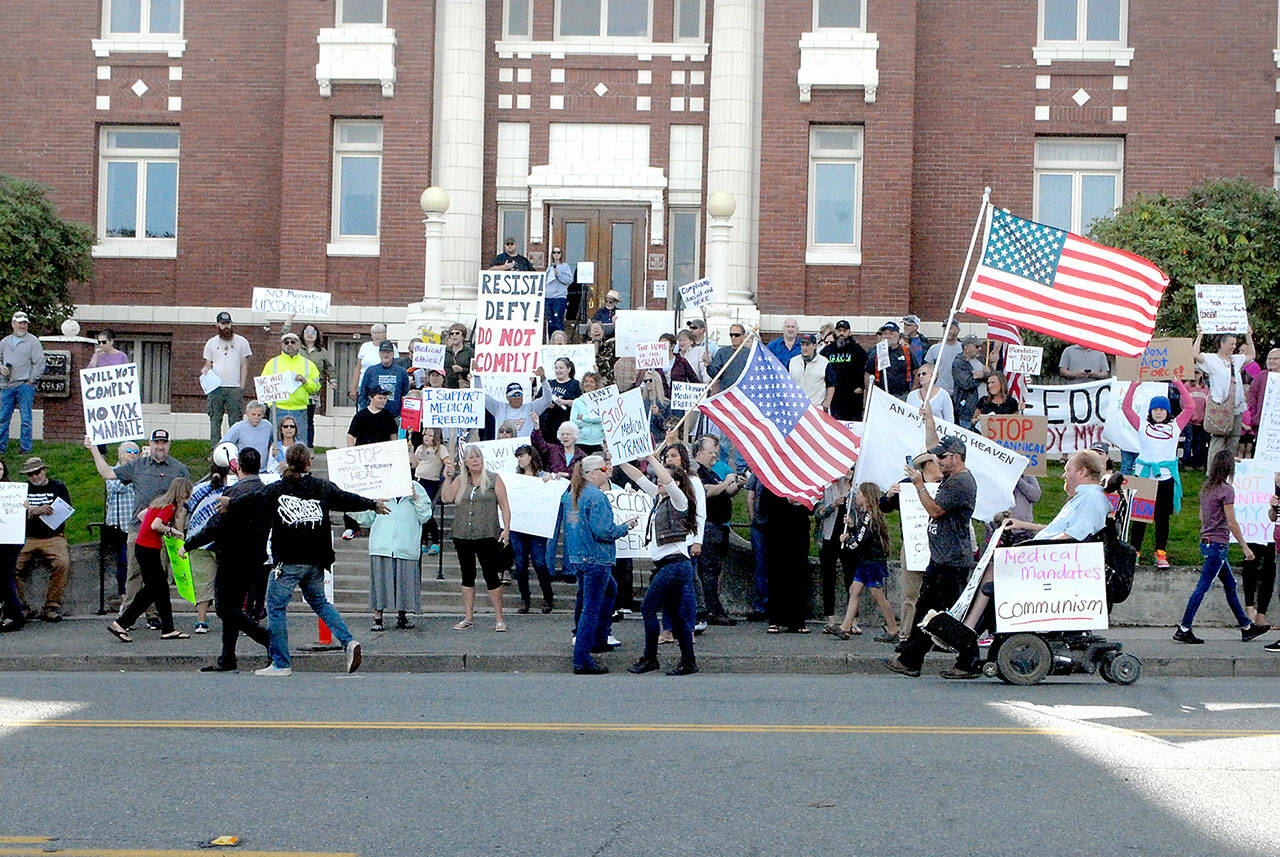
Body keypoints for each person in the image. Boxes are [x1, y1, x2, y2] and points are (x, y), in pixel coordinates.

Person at [249, 444, 385, 675]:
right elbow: (346, 499)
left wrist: (229, 503)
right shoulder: (322, 487)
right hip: (315, 560)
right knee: (320, 602)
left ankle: (281, 662)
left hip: (288, 560)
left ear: (287, 462)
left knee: (275, 606)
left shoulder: (277, 489)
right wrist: (373, 504)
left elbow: (252, 499)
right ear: (308, 463)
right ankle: (348, 641)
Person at [886, 435, 982, 679]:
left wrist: (918, 484)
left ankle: (966, 660)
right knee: (929, 612)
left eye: (942, 456)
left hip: (950, 560)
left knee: (937, 614)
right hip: (943, 558)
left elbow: (935, 510)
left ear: (956, 458)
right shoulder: (953, 479)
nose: (937, 461)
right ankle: (912, 658)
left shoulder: (961, 482)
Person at [86, 428, 192, 627]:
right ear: (150, 445)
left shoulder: (179, 469)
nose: (160, 447)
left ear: (169, 445)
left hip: (164, 532)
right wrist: (94, 450)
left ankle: (154, 616)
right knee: (134, 574)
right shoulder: (137, 465)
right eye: (156, 443)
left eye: (164, 443)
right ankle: (127, 616)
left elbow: (181, 506)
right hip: (138, 529)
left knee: (157, 577)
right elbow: (108, 473)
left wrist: (180, 537)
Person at [183, 447, 273, 672]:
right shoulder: (264, 492)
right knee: (233, 607)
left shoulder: (233, 494)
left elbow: (215, 527)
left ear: (239, 467)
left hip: (232, 558)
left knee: (225, 609)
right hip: (256, 558)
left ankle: (268, 639)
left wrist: (189, 544)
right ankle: (227, 657)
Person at [618, 448, 701, 676]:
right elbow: (638, 477)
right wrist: (619, 459)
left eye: (664, 480)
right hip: (669, 565)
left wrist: (651, 458)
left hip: (675, 564)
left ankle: (650, 657)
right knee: (677, 615)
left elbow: (667, 480)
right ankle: (688, 661)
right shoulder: (659, 497)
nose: (660, 483)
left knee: (647, 608)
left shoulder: (680, 500)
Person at [1173, 451, 1269, 645]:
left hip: (1207, 541)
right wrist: (1245, 548)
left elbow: (1202, 517)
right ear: (1228, 469)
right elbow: (1232, 522)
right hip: (1218, 544)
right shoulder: (1226, 490)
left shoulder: (1206, 488)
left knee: (1230, 585)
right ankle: (1184, 627)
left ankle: (1246, 627)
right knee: (1202, 587)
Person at [558, 455, 640, 674]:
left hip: (579, 556)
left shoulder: (572, 494)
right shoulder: (596, 497)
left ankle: (599, 638)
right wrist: (625, 527)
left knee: (609, 591)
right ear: (593, 472)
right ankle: (582, 658)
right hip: (597, 557)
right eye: (604, 468)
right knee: (591, 608)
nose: (607, 472)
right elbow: (603, 531)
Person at [107, 477, 195, 642]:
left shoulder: (159, 503)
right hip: (149, 550)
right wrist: (171, 531)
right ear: (182, 492)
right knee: (153, 589)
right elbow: (156, 525)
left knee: (159, 590)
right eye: (187, 493)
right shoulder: (169, 507)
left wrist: (154, 530)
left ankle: (168, 628)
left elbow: (143, 516)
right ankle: (122, 623)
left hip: (143, 548)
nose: (188, 496)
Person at [1122, 378, 1194, 569]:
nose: (1159, 412)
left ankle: (1160, 553)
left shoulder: (1175, 426)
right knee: (1140, 518)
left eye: (1162, 409)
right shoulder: (1142, 425)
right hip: (1144, 478)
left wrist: (1178, 383)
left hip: (1165, 479)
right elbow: (1126, 408)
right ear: (1150, 411)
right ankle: (1134, 552)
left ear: (1167, 411)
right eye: (1155, 409)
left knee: (1162, 518)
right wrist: (1134, 385)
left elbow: (1189, 407)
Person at [440, 444, 513, 632]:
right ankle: (468, 616)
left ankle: (499, 618)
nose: (475, 460)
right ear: (465, 462)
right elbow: (446, 498)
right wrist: (447, 478)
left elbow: (504, 505)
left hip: (487, 533)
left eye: (478, 457)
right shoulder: (461, 480)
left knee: (491, 576)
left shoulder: (493, 479)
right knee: (467, 575)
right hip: (463, 533)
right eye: (471, 457)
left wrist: (506, 529)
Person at [351, 471, 432, 632]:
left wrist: (416, 498)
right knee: (380, 582)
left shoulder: (416, 488)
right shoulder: (380, 489)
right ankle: (378, 616)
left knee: (404, 582)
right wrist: (351, 506)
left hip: (406, 545)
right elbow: (366, 519)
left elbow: (425, 516)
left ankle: (402, 615)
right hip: (382, 544)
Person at [826, 482, 899, 642]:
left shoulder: (870, 517)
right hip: (865, 561)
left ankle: (893, 629)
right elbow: (861, 534)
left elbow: (860, 540)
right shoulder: (866, 516)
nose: (856, 496)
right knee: (854, 590)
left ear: (866, 497)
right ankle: (845, 627)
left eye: (859, 494)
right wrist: (852, 527)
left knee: (877, 595)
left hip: (872, 562)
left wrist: (847, 539)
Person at [13, 457, 72, 622]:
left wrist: (50, 511)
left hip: (53, 536)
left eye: (36, 472)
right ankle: (21, 606)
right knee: (10, 566)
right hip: (28, 537)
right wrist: (33, 511)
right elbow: (13, 513)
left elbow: (66, 508)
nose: (34, 477)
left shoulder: (58, 487)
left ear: (44, 470)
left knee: (62, 563)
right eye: (30, 474)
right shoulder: (22, 490)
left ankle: (52, 605)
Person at [1009, 449, 1110, 540]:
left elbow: (1072, 537)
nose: (1063, 476)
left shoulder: (1091, 498)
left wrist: (1031, 549)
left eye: (1068, 470)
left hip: (1048, 555)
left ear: (1082, 472)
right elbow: (1058, 530)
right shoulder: (1085, 497)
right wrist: (1023, 525)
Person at [691, 435, 739, 626]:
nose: (715, 456)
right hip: (708, 527)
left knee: (713, 570)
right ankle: (710, 609)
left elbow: (723, 491)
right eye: (711, 452)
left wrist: (737, 483)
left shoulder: (709, 471)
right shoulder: (696, 472)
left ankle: (712, 607)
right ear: (699, 453)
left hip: (717, 527)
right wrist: (726, 482)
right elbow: (707, 491)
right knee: (708, 571)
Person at [341, 388, 398, 540]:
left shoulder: (388, 416)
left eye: (385, 398)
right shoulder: (360, 416)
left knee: (382, 494)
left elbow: (394, 437)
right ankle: (351, 526)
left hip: (382, 461)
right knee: (356, 493)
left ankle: (379, 524)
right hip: (362, 460)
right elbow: (350, 435)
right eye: (380, 398)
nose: (383, 401)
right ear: (371, 398)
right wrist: (351, 453)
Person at [1194, 326, 1255, 463]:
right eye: (1231, 344)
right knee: (1218, 440)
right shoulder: (1211, 359)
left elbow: (1251, 355)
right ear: (1222, 344)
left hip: (1237, 407)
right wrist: (1200, 335)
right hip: (1220, 406)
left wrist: (1248, 336)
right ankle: (1212, 474)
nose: (1234, 347)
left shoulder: (1236, 359)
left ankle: (1228, 472)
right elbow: (1195, 355)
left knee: (1234, 440)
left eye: (1235, 343)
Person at [183, 462, 232, 634]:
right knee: (228, 583)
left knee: (202, 583)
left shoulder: (198, 489)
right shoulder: (233, 489)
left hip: (198, 542)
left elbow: (184, 511)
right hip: (227, 541)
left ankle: (201, 621)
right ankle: (233, 619)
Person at [509, 443, 556, 614]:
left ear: (530, 456)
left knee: (539, 563)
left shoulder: (543, 475)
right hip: (519, 526)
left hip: (536, 526)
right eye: (518, 457)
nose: (520, 459)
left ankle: (548, 596)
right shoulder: (515, 477)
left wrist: (551, 480)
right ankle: (525, 598)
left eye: (522, 455)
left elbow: (555, 486)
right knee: (520, 564)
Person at [201, 311, 251, 447]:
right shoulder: (211, 343)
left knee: (235, 420)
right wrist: (205, 370)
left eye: (228, 323)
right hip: (215, 387)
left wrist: (241, 386)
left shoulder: (242, 342)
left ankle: (234, 448)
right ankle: (215, 449)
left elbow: (244, 365)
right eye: (223, 324)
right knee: (215, 419)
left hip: (234, 388)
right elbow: (208, 364)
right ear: (217, 325)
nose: (226, 326)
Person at [262, 331, 320, 444]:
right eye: (286, 342)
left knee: (299, 443)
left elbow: (316, 387)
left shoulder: (308, 364)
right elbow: (264, 387)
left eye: (293, 342)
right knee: (276, 442)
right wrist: (270, 406)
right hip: (278, 409)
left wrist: (305, 381)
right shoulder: (272, 363)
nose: (289, 344)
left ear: (298, 344)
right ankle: (277, 462)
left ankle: (299, 462)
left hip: (299, 409)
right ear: (282, 345)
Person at [0, 311, 45, 455]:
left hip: (25, 385)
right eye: (19, 323)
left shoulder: (33, 341)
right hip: (6, 386)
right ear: (13, 324)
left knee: (26, 419)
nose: (22, 326)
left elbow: (39, 362)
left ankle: (25, 449)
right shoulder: (4, 342)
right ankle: (1, 448)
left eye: (25, 323)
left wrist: (31, 380)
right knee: (2, 418)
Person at [102, 441, 139, 609]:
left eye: (136, 452)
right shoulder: (112, 471)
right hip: (119, 526)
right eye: (129, 451)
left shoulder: (142, 471)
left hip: (136, 525)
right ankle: (123, 597)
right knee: (123, 562)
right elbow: (116, 487)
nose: (133, 454)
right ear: (120, 454)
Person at [822, 319, 869, 420]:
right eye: (839, 330)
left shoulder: (858, 351)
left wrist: (861, 386)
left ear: (849, 332)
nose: (841, 333)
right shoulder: (827, 351)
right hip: (833, 397)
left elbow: (866, 370)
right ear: (835, 332)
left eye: (844, 330)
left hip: (852, 398)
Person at [413, 427, 448, 555]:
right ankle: (422, 541)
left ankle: (435, 540)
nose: (426, 437)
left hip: (431, 482)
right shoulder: (420, 448)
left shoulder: (441, 449)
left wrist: (446, 471)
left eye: (430, 435)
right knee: (418, 510)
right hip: (418, 480)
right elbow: (414, 464)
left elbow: (447, 461)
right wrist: (410, 453)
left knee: (427, 511)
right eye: (425, 434)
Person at [0, 460, 26, 632]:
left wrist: (25, 507)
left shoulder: (11, 491)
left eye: (0, 468)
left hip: (9, 539)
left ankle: (16, 615)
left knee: (4, 576)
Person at [299, 323, 334, 448]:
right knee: (296, 419)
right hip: (297, 390)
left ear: (317, 335)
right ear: (302, 335)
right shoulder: (296, 348)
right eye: (307, 332)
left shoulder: (322, 352)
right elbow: (285, 337)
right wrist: (288, 321)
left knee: (309, 420)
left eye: (313, 332)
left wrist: (333, 380)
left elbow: (329, 368)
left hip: (312, 391)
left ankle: (309, 446)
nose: (310, 335)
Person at [863, 320, 916, 402]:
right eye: (885, 333)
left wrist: (912, 392)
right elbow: (868, 374)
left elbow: (917, 372)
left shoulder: (906, 352)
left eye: (890, 333)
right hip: (881, 397)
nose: (887, 336)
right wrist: (871, 391)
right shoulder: (876, 352)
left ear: (898, 335)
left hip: (902, 397)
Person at [359, 340, 411, 421]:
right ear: (379, 354)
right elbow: (363, 394)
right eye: (383, 352)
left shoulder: (401, 372)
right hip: (374, 417)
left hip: (394, 417)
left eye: (388, 352)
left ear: (393, 354)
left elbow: (405, 394)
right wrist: (365, 412)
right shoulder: (371, 371)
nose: (386, 355)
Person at [483, 381, 550, 440]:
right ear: (507, 397)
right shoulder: (498, 407)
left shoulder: (532, 407)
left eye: (520, 394)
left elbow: (548, 400)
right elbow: (482, 396)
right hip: (504, 449)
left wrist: (543, 380)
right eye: (514, 395)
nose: (518, 397)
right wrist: (476, 375)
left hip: (525, 450)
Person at [538, 356, 582, 443]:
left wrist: (564, 402)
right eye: (556, 368)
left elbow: (580, 403)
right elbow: (537, 399)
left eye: (561, 368)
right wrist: (545, 403)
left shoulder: (575, 384)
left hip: (564, 425)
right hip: (546, 425)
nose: (558, 370)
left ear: (568, 369)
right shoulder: (549, 383)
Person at [349, 323, 390, 407]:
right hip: (364, 385)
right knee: (363, 410)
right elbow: (358, 368)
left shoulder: (390, 347)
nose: (377, 335)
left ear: (385, 334)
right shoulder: (365, 346)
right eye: (374, 333)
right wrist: (353, 387)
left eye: (380, 333)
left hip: (382, 386)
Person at [220, 400, 274, 464]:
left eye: (259, 415)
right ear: (247, 413)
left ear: (263, 415)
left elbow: (276, 441)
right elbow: (224, 445)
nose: (256, 418)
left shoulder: (268, 426)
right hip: (243, 469)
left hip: (263, 469)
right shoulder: (238, 427)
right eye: (253, 414)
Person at [950, 335, 986, 430]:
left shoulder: (982, 359)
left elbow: (993, 375)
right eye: (977, 346)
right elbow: (966, 383)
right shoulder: (958, 363)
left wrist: (984, 374)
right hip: (967, 410)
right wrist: (983, 376)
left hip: (984, 409)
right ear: (967, 348)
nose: (980, 349)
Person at [707, 323, 750, 391]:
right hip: (726, 392)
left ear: (743, 336)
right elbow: (715, 374)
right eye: (731, 335)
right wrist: (708, 364)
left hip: (744, 392)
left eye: (736, 335)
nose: (733, 337)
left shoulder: (750, 353)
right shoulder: (722, 352)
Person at [788, 333, 828, 406]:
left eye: (807, 345)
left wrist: (827, 402)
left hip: (816, 406)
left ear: (814, 346)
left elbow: (831, 384)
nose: (804, 348)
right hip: (796, 406)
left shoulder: (824, 362)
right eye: (802, 345)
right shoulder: (792, 361)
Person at [571, 371, 606, 454]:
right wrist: (594, 422)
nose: (588, 384)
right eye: (586, 381)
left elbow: (602, 418)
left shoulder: (602, 401)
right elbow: (574, 423)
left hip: (598, 442)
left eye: (591, 382)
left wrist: (584, 418)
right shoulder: (577, 402)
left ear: (596, 384)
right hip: (581, 442)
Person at [924, 319, 961, 394]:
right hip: (939, 391)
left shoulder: (963, 349)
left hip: (959, 393)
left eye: (950, 328)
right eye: (945, 328)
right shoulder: (934, 349)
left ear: (958, 330)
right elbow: (927, 370)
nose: (946, 331)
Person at [545, 245, 574, 334]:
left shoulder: (565, 266)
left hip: (559, 297)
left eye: (558, 252)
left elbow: (569, 280)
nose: (556, 254)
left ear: (561, 254)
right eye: (554, 252)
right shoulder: (549, 267)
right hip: (548, 297)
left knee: (558, 320)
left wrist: (558, 274)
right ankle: (551, 341)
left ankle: (560, 341)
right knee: (550, 322)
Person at [443, 323, 474, 389]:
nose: (454, 335)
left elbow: (473, 370)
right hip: (446, 388)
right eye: (452, 334)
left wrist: (462, 370)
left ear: (463, 336)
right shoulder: (444, 352)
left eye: (457, 333)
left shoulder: (469, 352)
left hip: (463, 389)